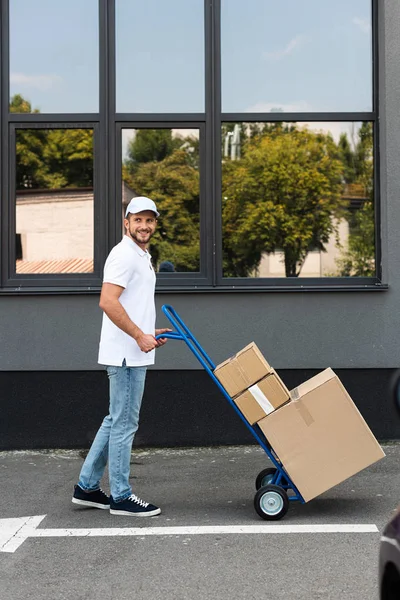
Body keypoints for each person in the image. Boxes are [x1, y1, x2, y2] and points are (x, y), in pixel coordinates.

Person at [72, 196, 171, 517]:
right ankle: (121, 496)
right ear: (125, 222)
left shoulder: (140, 255)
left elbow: (129, 303)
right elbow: (108, 301)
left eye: (150, 220)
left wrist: (148, 331)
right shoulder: (123, 255)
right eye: (138, 220)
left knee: (115, 420)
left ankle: (86, 487)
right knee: (125, 423)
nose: (144, 226)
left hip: (132, 350)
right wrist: (138, 335)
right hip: (126, 355)